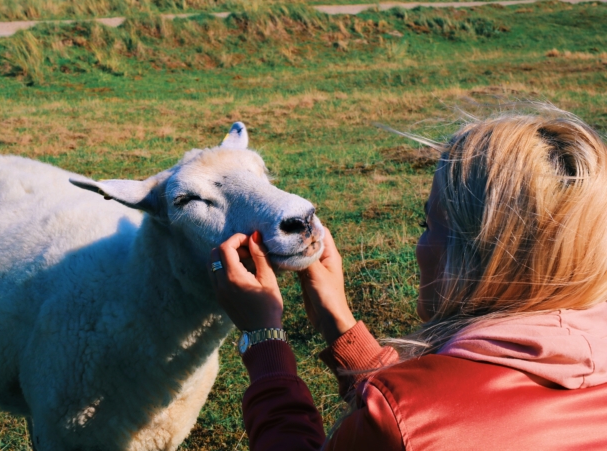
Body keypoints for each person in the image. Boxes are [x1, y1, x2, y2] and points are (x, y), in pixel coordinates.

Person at [209, 112, 607, 450]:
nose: (419, 243)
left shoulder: (405, 421)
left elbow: (414, 422)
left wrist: (264, 340)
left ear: (470, 257)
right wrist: (339, 323)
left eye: (427, 223)